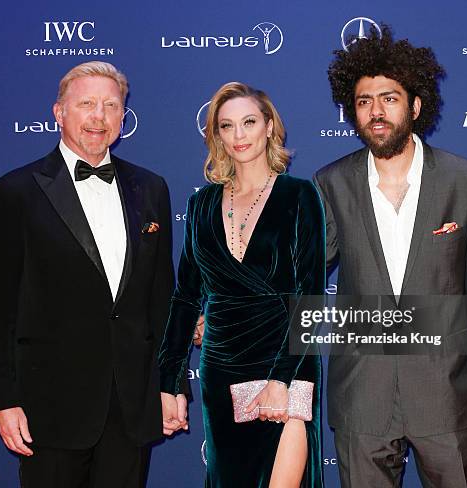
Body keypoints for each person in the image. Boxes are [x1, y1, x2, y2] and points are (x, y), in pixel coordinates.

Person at [313, 26, 467, 487]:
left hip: (446, 392)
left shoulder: (465, 179)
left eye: (389, 98)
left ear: (415, 106)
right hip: (362, 395)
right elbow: (301, 271)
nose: (376, 112)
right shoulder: (331, 182)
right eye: (364, 101)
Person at [0, 61, 174, 488]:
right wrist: (3, 401)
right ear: (59, 112)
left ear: (123, 117)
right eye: (86, 104)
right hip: (49, 408)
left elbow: (162, 300)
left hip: (130, 405)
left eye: (110, 105)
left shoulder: (151, 188)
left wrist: (172, 385)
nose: (98, 116)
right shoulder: (16, 191)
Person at [159, 82, 325, 487]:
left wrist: (279, 380)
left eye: (249, 122)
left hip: (285, 362)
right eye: (226, 126)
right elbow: (185, 298)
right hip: (220, 370)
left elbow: (309, 298)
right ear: (215, 135)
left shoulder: (299, 195)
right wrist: (169, 382)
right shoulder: (201, 205)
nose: (238, 136)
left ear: (269, 127)